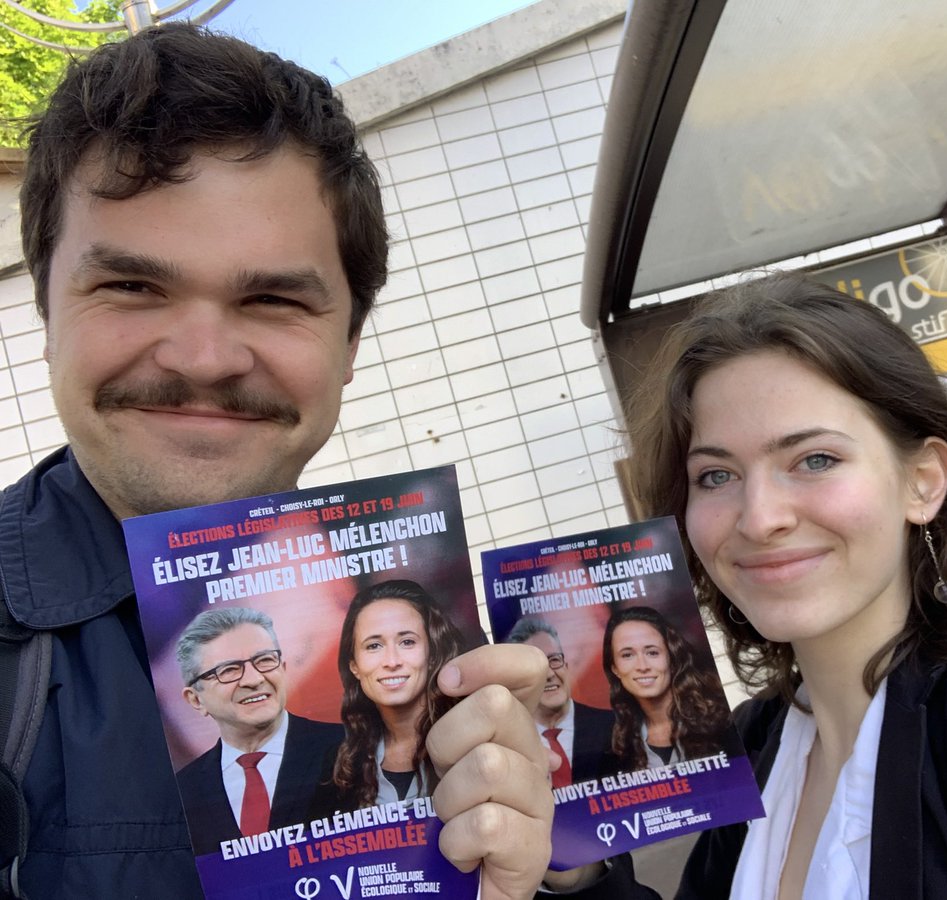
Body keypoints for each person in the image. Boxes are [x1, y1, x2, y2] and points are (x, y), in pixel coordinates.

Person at [0, 23, 552, 900]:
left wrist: (551, 875)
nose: (203, 357)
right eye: (133, 286)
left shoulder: (425, 647)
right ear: (45, 308)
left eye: (271, 298)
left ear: (350, 343)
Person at [540, 274, 947, 898]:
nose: (761, 517)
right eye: (715, 476)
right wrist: (567, 864)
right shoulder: (756, 743)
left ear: (923, 480)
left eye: (815, 460)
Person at [174, 607, 343, 856]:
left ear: (282, 669)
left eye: (264, 660)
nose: (253, 679)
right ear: (196, 700)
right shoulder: (182, 792)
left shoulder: (353, 748)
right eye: (228, 670)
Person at [315, 580, 466, 811]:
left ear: (433, 654)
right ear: (354, 665)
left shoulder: (468, 737)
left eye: (407, 642)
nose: (392, 661)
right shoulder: (341, 763)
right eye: (374, 646)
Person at [601, 605, 732, 771]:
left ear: (672, 657)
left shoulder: (722, 721)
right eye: (627, 655)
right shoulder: (617, 745)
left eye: (652, 653)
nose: (642, 666)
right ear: (615, 668)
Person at [506, 615, 616, 785]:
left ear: (566, 666)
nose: (550, 674)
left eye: (554, 660)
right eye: (536, 667)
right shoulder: (510, 748)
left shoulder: (613, 726)